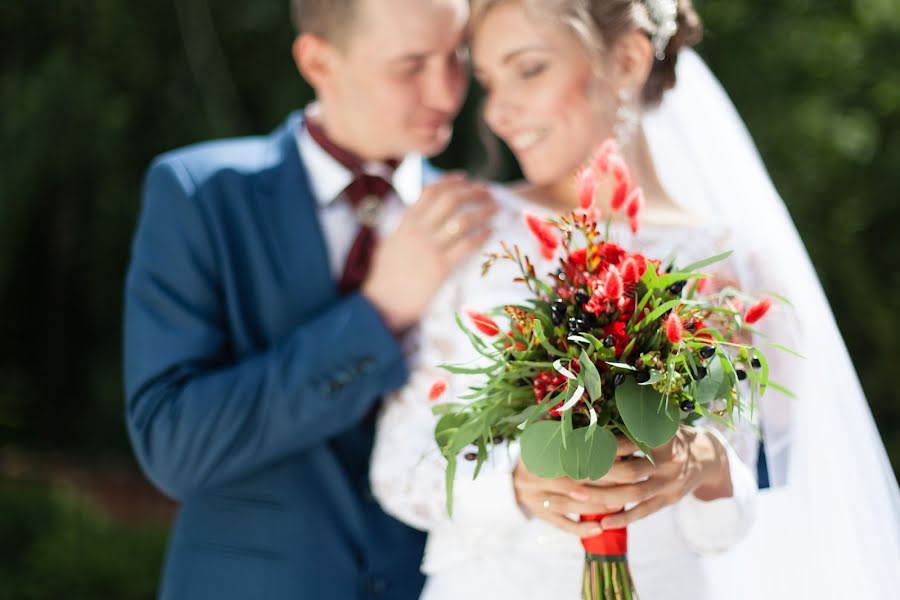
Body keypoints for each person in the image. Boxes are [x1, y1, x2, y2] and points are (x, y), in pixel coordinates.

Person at [370, 1, 900, 599]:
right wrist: (514, 485)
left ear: (625, 59)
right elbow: (396, 469)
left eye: (530, 69)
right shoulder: (467, 232)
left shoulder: (730, 262)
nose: (497, 111)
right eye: (489, 81)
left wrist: (703, 459)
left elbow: (735, 521)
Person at [123, 1, 496, 598]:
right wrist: (377, 315)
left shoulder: (485, 222)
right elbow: (173, 445)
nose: (447, 90)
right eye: (410, 65)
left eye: (456, 55)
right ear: (318, 60)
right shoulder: (201, 195)